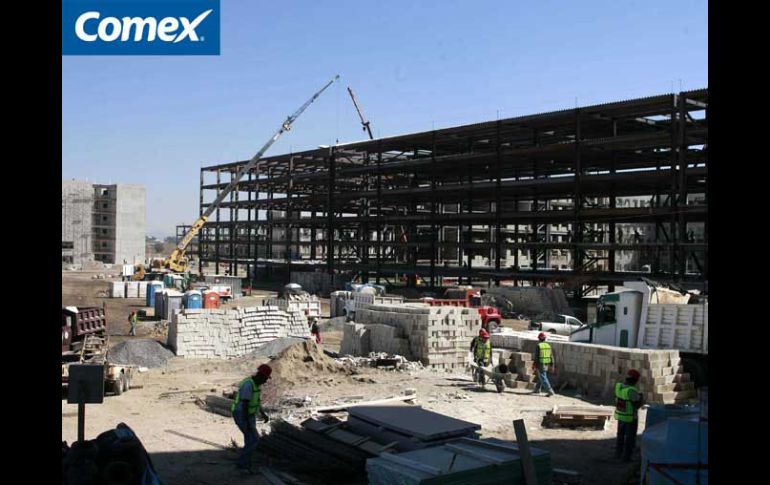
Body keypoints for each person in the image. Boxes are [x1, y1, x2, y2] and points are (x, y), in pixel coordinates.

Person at [231, 364, 272, 473]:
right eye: (266, 378)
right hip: (242, 414)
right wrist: (247, 423)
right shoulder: (248, 385)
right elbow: (244, 404)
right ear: (261, 376)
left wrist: (263, 414)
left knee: (249, 439)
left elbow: (256, 402)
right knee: (254, 439)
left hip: (250, 415)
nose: (266, 381)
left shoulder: (256, 385)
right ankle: (242, 464)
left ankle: (246, 464)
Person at [615, 369, 643, 462]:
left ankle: (618, 453)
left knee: (620, 436)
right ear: (635, 380)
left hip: (620, 415)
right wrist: (641, 398)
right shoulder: (631, 391)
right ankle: (627, 457)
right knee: (630, 438)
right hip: (630, 418)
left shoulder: (618, 386)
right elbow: (637, 405)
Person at [532, 332, 555, 396]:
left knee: (543, 377)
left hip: (540, 363)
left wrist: (534, 364)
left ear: (539, 338)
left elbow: (536, 357)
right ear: (545, 339)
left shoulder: (538, 346)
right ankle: (537, 389)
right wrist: (552, 365)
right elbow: (551, 356)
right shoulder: (548, 346)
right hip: (546, 363)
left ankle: (550, 390)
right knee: (541, 376)